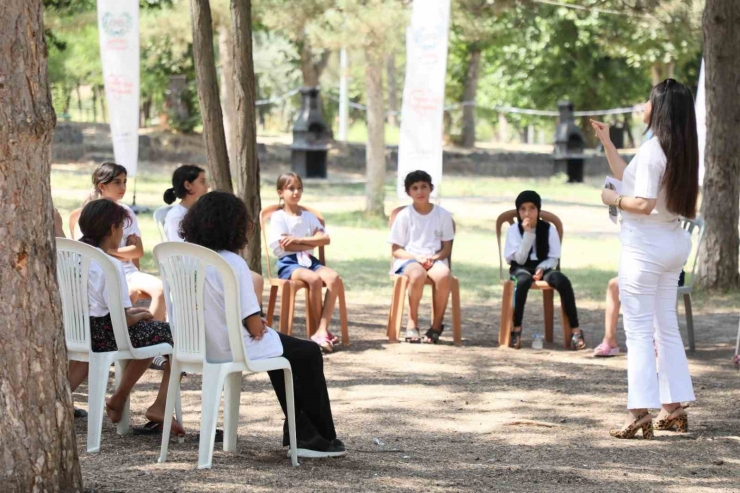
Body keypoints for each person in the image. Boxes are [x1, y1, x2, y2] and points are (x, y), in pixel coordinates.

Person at [181, 191, 346, 458]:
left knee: (290, 351)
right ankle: (313, 437)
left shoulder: (185, 259)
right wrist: (257, 324)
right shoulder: (231, 262)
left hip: (196, 345)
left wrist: (253, 322)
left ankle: (303, 432)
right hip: (232, 347)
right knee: (307, 352)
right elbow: (255, 328)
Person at [593, 78, 698, 439]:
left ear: (660, 109)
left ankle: (639, 412)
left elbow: (642, 202)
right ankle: (674, 407)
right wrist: (608, 142)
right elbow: (631, 178)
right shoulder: (678, 149)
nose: (644, 106)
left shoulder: (655, 150)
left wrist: (612, 200)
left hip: (646, 248)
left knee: (637, 331)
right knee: (664, 327)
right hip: (671, 244)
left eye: (649, 101)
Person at [68, 199, 184, 436]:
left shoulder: (71, 257)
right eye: (121, 227)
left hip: (78, 330)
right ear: (112, 229)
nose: (122, 233)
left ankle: (119, 398)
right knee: (174, 336)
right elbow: (120, 321)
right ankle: (159, 406)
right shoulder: (110, 264)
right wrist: (137, 316)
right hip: (105, 335)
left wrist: (135, 314)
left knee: (150, 330)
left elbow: (101, 308)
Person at [70, 162, 166, 321]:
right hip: (102, 272)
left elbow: (137, 251)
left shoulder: (126, 212)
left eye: (125, 181)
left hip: (128, 272)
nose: (123, 186)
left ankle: (149, 333)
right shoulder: (88, 213)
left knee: (160, 290)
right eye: (117, 182)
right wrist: (117, 253)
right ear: (102, 186)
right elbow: (88, 251)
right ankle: (143, 337)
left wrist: (106, 250)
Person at [162, 165, 264, 307]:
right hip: (193, 270)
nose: (207, 186)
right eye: (202, 181)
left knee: (256, 279)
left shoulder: (203, 212)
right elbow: (181, 252)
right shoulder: (175, 217)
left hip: (209, 263)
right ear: (187, 185)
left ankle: (246, 319)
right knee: (254, 280)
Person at [268, 172, 345, 353]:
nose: (296, 192)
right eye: (291, 188)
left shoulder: (308, 216)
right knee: (314, 279)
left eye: (299, 188)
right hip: (289, 263)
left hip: (309, 260)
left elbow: (325, 240)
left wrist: (298, 240)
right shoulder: (278, 217)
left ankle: (321, 329)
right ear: (280, 192)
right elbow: (284, 247)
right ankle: (320, 331)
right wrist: (311, 240)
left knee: (334, 278)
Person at [504, 190, 585, 350]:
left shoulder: (549, 229)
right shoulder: (514, 230)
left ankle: (575, 330)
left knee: (562, 281)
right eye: (523, 209)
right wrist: (527, 234)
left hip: (544, 265)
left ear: (538, 210)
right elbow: (519, 259)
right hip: (520, 267)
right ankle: (516, 328)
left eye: (532, 208)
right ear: (518, 211)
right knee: (523, 281)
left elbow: (554, 257)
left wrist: (542, 267)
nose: (528, 213)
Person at [388, 170, 454, 344]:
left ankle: (436, 325)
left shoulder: (443, 215)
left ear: (431, 188)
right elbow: (396, 249)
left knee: (444, 275)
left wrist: (434, 257)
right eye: (415, 188)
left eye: (424, 187)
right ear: (408, 192)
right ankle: (412, 322)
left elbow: (446, 248)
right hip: (409, 259)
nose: (420, 192)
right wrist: (416, 258)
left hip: (434, 259)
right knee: (417, 274)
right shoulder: (404, 216)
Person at [593, 271, 686, 357]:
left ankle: (657, 340)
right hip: (642, 271)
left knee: (646, 284)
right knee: (613, 284)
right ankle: (609, 340)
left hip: (670, 274)